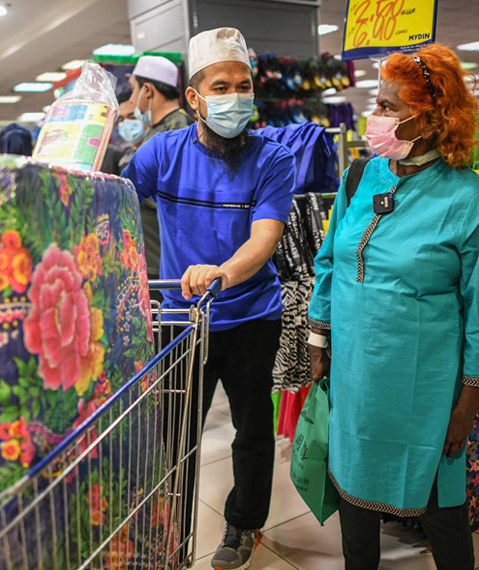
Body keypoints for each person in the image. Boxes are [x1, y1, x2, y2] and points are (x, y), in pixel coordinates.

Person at [307, 44, 479, 570]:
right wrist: (317, 338)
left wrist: (465, 411)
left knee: (442, 513)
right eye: (377, 103)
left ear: (431, 117)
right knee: (354, 507)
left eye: (388, 106)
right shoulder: (361, 178)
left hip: (425, 395)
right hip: (355, 381)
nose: (374, 116)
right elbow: (330, 260)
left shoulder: (470, 201)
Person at [122, 28, 295, 570]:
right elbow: (115, 204)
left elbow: (264, 239)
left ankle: (244, 523)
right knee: (175, 432)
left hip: (251, 315)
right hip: (182, 321)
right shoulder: (161, 153)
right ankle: (166, 524)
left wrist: (223, 273)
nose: (235, 97)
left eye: (244, 86)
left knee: (253, 430)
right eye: (221, 87)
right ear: (194, 98)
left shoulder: (273, 158)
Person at [127, 55, 195, 286]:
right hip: (151, 256)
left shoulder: (179, 129)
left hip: (168, 260)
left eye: (134, 90)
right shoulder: (156, 130)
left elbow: (180, 198)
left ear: (147, 90)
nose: (132, 99)